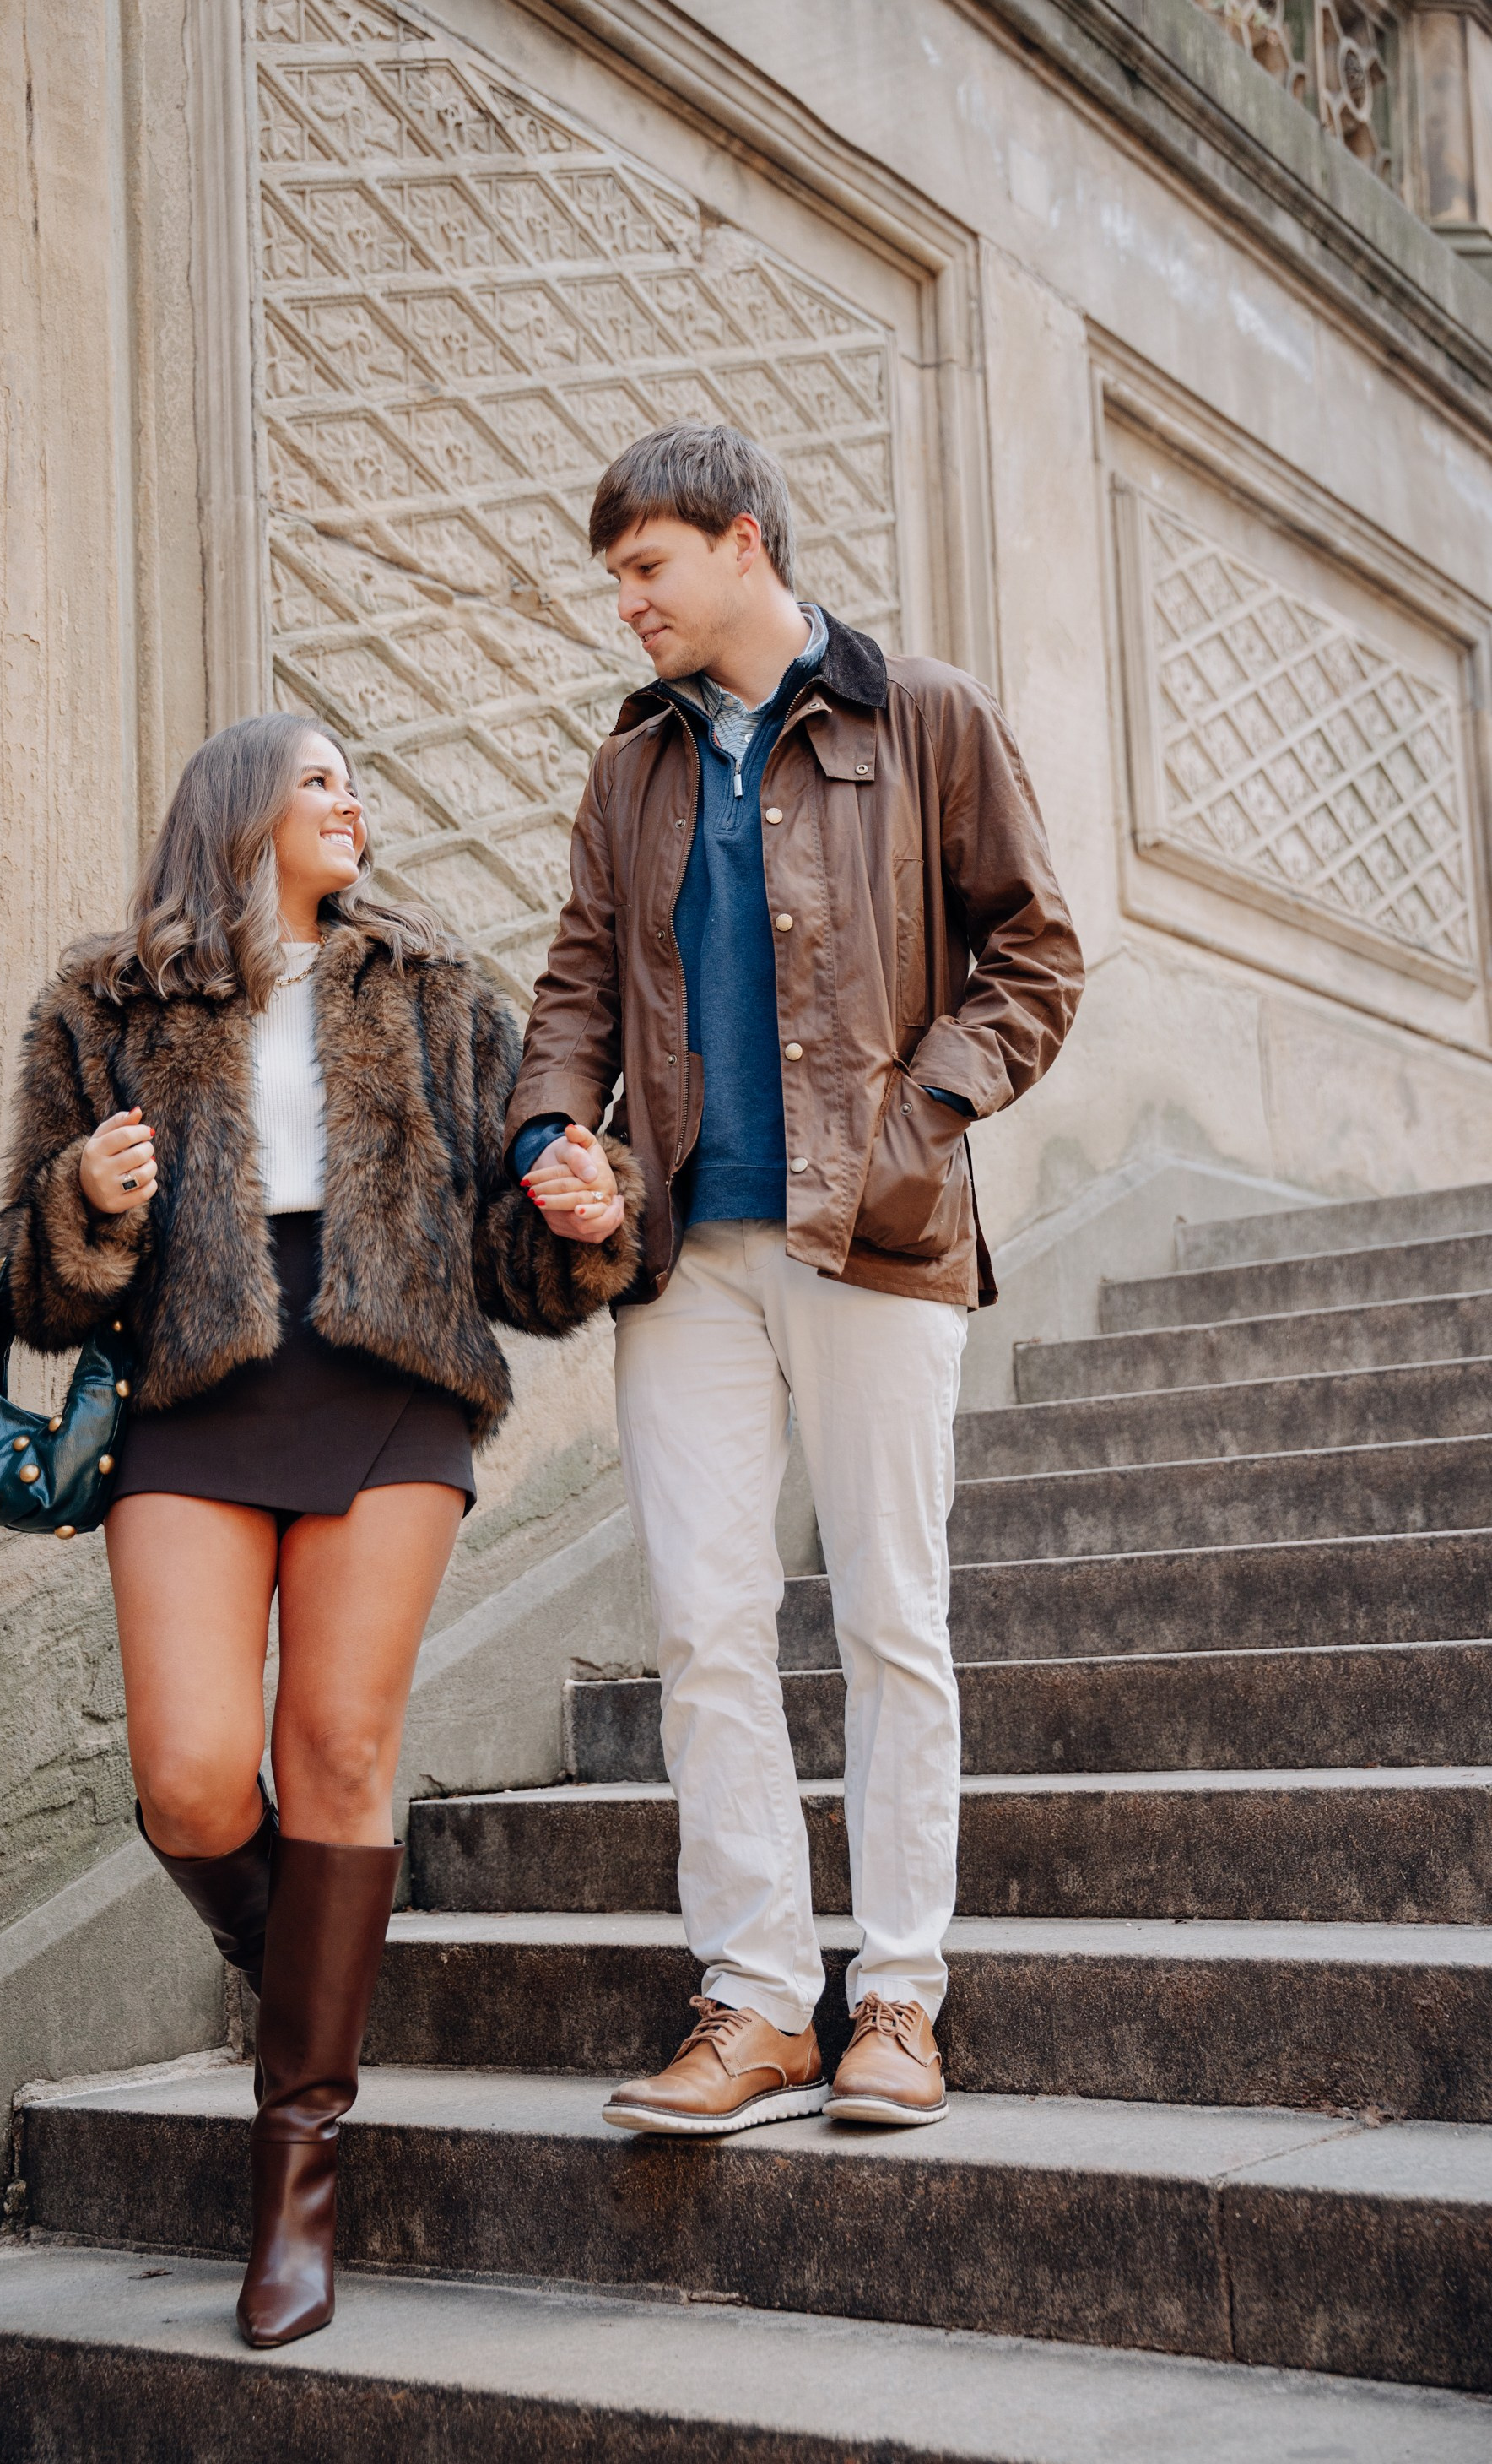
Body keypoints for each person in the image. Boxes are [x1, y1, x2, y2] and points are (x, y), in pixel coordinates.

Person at [0, 712, 641, 2343]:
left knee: (341, 1753)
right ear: (238, 811)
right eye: (319, 780)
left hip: (391, 1373)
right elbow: (40, 1281)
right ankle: (314, 1984)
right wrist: (92, 1199)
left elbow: (514, 1251)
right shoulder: (107, 999)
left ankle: (296, 2171)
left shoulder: (432, 989)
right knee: (194, 1775)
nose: (353, 802)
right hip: (198, 1383)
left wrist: (581, 1215)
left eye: (358, 780)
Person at [511, 422, 1082, 2136]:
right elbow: (571, 993)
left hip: (876, 1239)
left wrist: (919, 1118)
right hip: (682, 1255)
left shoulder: (922, 713)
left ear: (740, 542)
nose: (624, 603)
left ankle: (896, 1995)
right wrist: (554, 1127)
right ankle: (757, 2001)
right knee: (704, 1626)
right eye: (615, 575)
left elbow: (1035, 953)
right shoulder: (632, 772)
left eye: (644, 567)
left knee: (892, 1621)